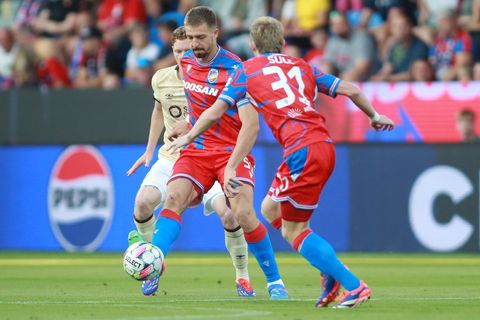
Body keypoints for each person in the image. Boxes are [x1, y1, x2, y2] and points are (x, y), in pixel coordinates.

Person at [169, 16, 394, 309]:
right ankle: (330, 275)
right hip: (324, 146)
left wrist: (189, 136)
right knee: (270, 209)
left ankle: (353, 285)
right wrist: (375, 117)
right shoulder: (301, 65)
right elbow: (351, 90)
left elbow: (213, 113)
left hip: (301, 150)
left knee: (294, 231)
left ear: (251, 44)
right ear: (283, 43)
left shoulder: (245, 71)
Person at [147, 6, 288, 300]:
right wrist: (185, 126)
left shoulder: (236, 69)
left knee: (242, 213)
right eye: (190, 37)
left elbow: (250, 126)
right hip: (197, 150)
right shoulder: (188, 63)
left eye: (200, 37)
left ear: (215, 33)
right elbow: (200, 111)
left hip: (229, 152)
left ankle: (274, 281)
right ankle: (153, 263)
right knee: (173, 198)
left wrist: (235, 164)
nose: (195, 44)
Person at [126, 26, 255, 297]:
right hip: (174, 156)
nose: (184, 55)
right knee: (141, 204)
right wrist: (149, 150)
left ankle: (242, 276)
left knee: (230, 214)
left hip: (214, 154)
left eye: (188, 49)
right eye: (178, 51)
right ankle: (153, 265)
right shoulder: (161, 78)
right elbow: (158, 110)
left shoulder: (216, 75)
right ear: (172, 52)